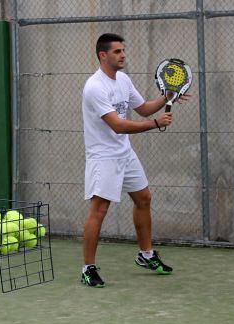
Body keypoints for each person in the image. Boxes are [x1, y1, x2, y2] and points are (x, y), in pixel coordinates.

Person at [80, 33, 190, 288]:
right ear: (103, 55)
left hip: (124, 153)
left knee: (144, 198)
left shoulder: (124, 80)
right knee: (100, 210)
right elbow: (117, 126)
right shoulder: (95, 87)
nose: (123, 55)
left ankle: (146, 255)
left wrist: (167, 96)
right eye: (118, 51)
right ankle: (88, 268)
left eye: (123, 51)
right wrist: (155, 124)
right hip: (103, 156)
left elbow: (142, 108)